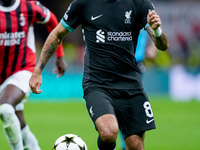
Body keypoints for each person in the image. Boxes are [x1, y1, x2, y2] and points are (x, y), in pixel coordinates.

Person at [29, 0, 169, 149]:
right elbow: (57, 34)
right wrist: (38, 70)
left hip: (131, 84)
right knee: (109, 131)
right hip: (97, 83)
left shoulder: (139, 4)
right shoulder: (83, 3)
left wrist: (157, 31)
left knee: (135, 145)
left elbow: (163, 45)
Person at [0, 0, 66, 150]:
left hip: (22, 69)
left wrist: (59, 55)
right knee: (18, 120)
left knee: (5, 108)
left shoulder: (29, 6)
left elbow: (52, 20)